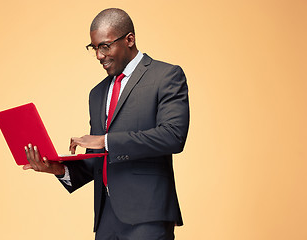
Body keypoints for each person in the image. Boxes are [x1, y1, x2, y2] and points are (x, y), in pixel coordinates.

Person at [23, 8, 189, 240]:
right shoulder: (98, 93)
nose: (99, 55)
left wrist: (106, 140)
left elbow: (173, 136)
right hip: (106, 219)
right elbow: (98, 160)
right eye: (94, 48)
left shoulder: (166, 76)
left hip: (148, 216)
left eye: (105, 46)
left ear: (129, 39)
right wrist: (57, 169)